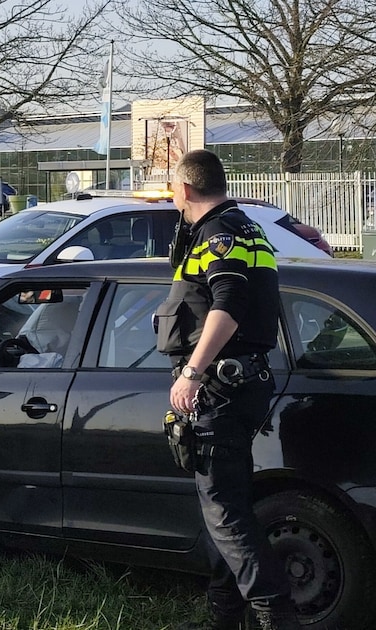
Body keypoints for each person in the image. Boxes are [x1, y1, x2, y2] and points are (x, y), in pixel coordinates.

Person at [157, 150, 298, 630]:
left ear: (186, 190)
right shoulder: (246, 230)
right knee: (227, 509)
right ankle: (224, 618)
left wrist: (192, 373)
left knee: (226, 515)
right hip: (241, 381)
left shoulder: (217, 235)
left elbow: (229, 302)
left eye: (174, 189)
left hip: (220, 387)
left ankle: (277, 618)